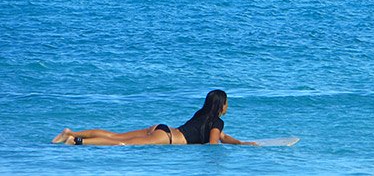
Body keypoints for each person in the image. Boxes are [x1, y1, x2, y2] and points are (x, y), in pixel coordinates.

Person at [51, 89, 257, 146]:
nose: (228, 106)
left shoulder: (203, 114)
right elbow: (213, 143)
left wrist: (241, 143)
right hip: (165, 139)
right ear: (221, 104)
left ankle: (71, 132)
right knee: (121, 143)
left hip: (162, 128)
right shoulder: (217, 121)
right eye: (227, 102)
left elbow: (221, 136)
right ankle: (75, 142)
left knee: (116, 135)